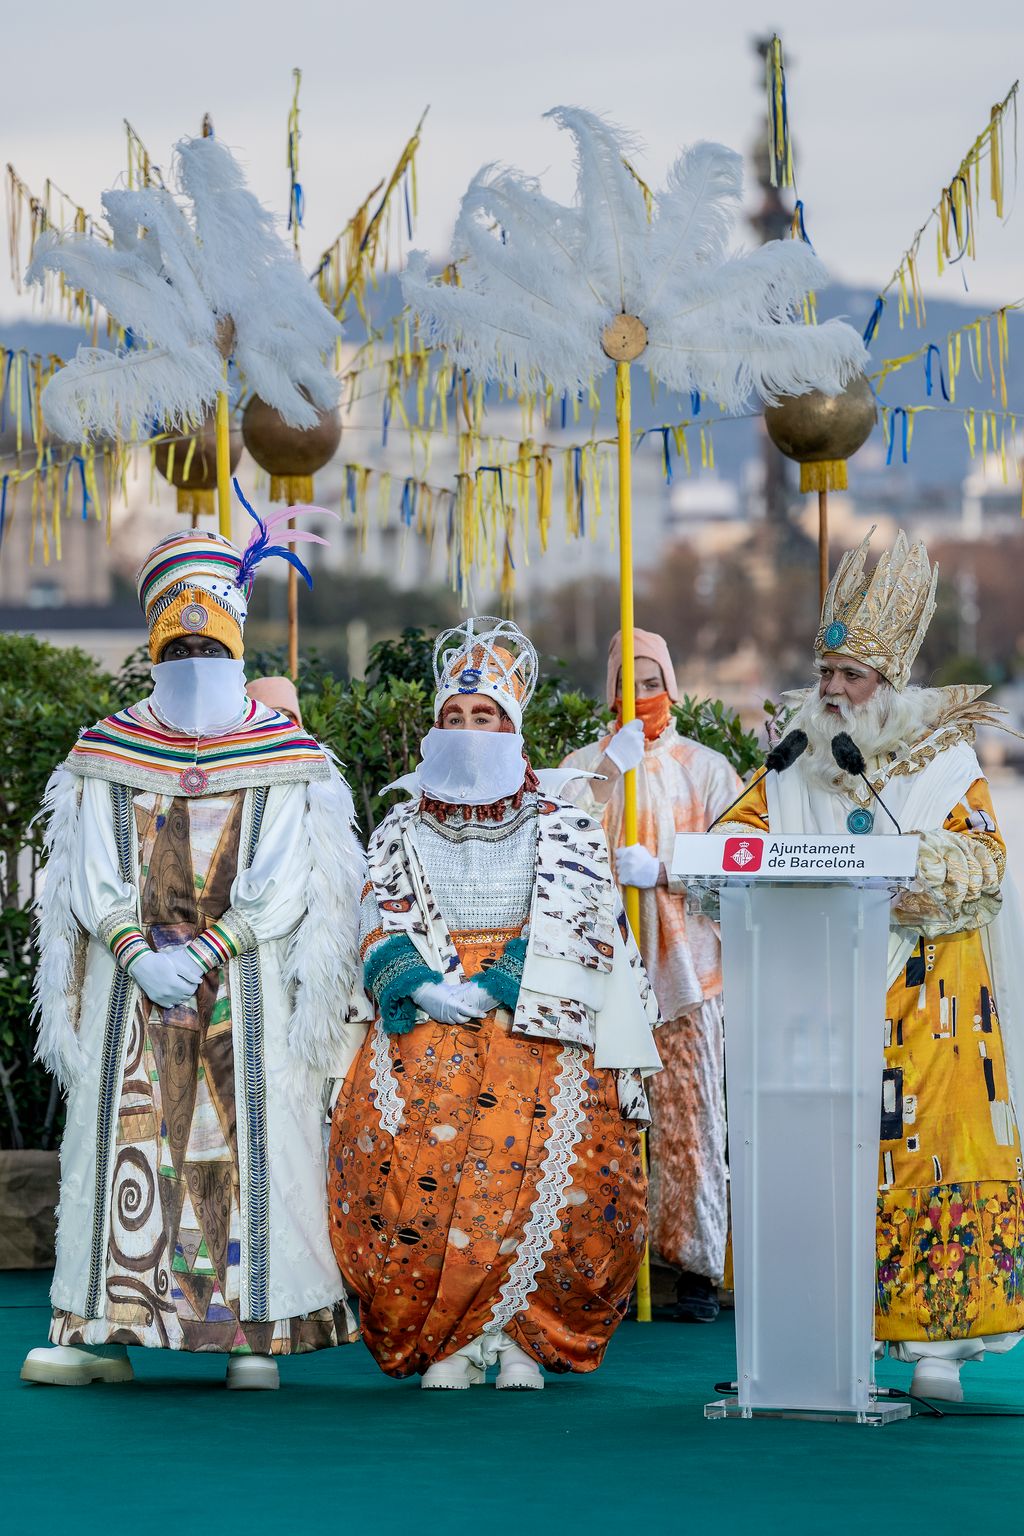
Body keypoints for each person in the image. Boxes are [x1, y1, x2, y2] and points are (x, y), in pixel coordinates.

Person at [22, 505, 367, 1390]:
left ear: (238, 642)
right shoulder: (105, 752)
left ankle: (252, 1336)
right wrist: (138, 953)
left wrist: (213, 948)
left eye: (208, 648)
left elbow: (291, 881)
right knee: (119, 1138)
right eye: (178, 650)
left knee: (250, 1145)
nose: (194, 662)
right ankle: (101, 1327)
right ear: (153, 647)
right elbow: (88, 871)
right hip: (130, 988)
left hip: (245, 990)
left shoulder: (288, 757)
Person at [717, 529, 1024, 1401]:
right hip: (819, 991)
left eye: (852, 678)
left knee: (933, 1157)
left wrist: (904, 873)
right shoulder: (790, 762)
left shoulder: (944, 762)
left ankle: (936, 1349)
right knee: (822, 1159)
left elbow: (983, 866)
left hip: (930, 998)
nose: (835, 692)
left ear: (889, 685)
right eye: (827, 676)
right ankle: (825, 1332)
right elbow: (735, 843)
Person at [329, 617, 662, 1389]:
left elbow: (583, 912)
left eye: (486, 718)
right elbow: (373, 910)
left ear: (513, 728)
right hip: (427, 1009)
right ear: (435, 726)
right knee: (417, 1164)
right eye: (455, 716)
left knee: (547, 1165)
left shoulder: (563, 820)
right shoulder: (400, 823)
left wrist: (498, 984)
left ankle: (517, 1336)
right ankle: (447, 1340)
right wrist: (421, 985)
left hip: (536, 1005)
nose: (470, 728)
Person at [559, 629, 741, 1322]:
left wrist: (665, 872)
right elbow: (556, 851)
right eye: (625, 682)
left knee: (689, 1124)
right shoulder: (583, 767)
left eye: (651, 678)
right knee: (601, 1124)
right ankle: (601, 1268)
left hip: (689, 975)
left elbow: (734, 867)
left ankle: (694, 1267)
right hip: (603, 973)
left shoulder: (708, 769)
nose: (639, 695)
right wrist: (608, 775)